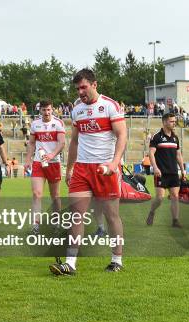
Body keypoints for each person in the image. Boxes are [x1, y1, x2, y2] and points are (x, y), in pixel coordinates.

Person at [49, 68, 127, 275]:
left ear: (94, 84)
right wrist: (70, 168)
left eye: (83, 87)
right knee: (76, 215)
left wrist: (114, 163)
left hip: (105, 169)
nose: (80, 92)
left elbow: (122, 136)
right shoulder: (76, 109)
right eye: (77, 89)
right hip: (82, 169)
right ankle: (70, 264)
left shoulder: (110, 105)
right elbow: (74, 140)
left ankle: (116, 259)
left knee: (112, 216)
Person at [24, 100, 66, 235]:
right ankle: (35, 225)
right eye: (44, 110)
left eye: (48, 110)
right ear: (39, 110)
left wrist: (51, 154)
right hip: (38, 163)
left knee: (55, 195)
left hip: (54, 163)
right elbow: (31, 143)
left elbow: (62, 142)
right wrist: (28, 159)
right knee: (36, 194)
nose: (46, 112)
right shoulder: (35, 124)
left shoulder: (58, 123)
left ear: (52, 109)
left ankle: (56, 222)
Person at [146, 113, 186, 228]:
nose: (174, 123)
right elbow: (151, 153)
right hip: (161, 172)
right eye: (172, 121)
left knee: (175, 196)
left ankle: (175, 221)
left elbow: (178, 155)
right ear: (164, 122)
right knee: (159, 198)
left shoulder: (175, 138)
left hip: (173, 172)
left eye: (174, 121)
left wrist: (183, 170)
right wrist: (155, 168)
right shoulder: (157, 137)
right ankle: (152, 211)